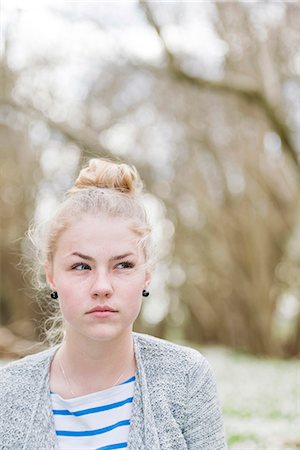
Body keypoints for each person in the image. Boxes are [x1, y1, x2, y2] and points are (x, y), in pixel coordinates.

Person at [0, 158, 227, 450]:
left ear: (146, 275)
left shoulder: (185, 379)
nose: (102, 287)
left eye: (122, 265)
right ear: (51, 276)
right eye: (81, 267)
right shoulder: (8, 393)